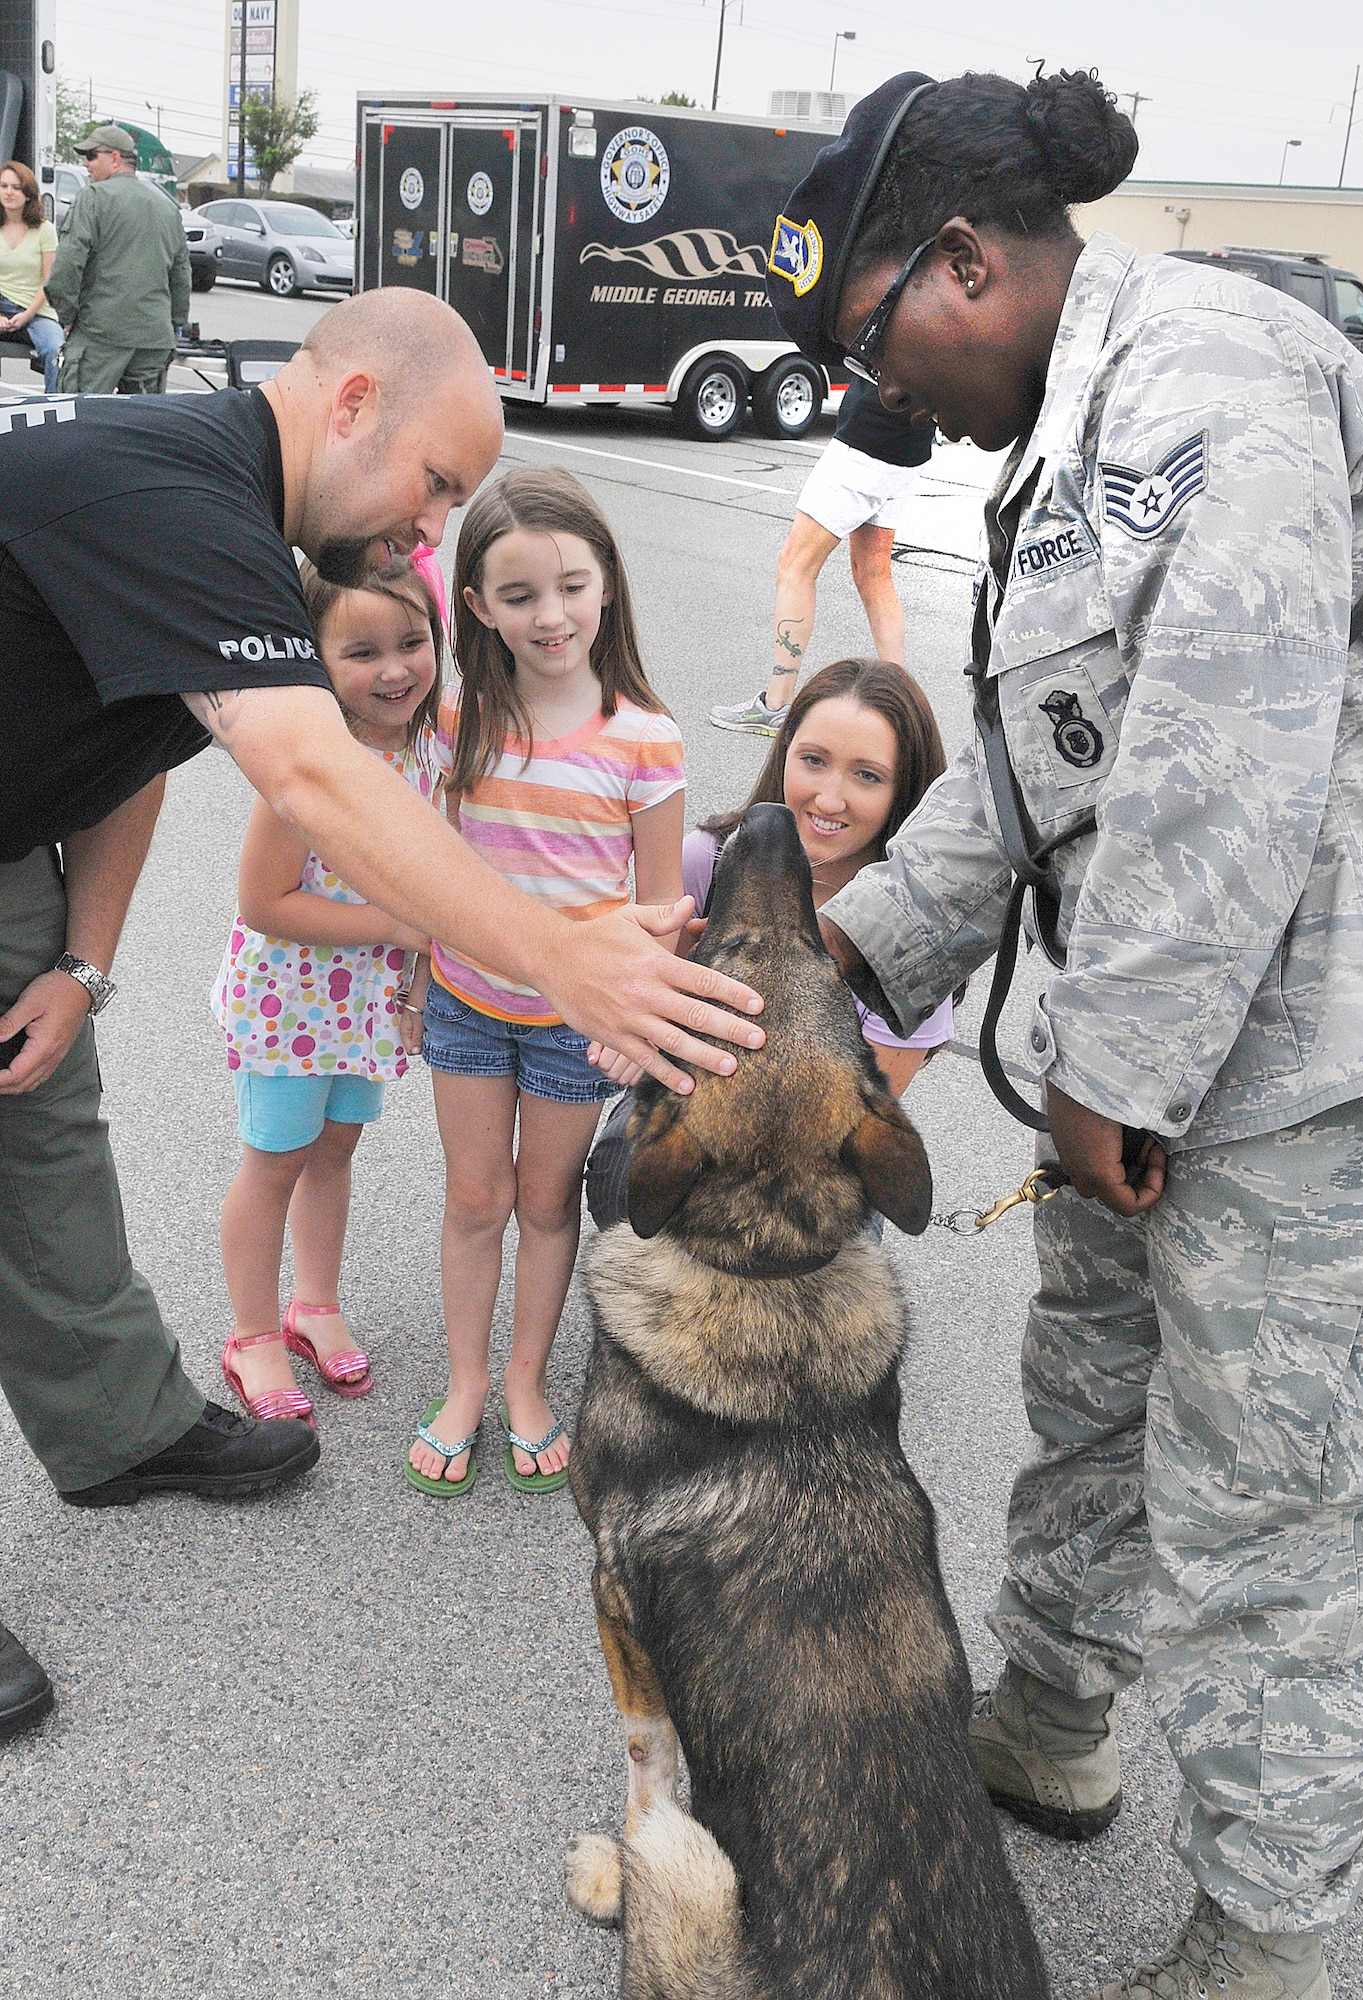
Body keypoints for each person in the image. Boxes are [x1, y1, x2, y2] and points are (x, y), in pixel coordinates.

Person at [768, 68, 1363, 2000]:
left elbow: (1222, 759)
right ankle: (1053, 1720)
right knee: (1099, 1411)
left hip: (1315, 1072)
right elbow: (1022, 754)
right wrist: (838, 953)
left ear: (964, 260)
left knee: (1286, 1512)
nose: (883, 405)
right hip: (1149, 1052)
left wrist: (1110, 1075)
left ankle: (1261, 1947)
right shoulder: (1070, 425)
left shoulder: (1204, 388)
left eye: (876, 347)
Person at [0, 287, 764, 1740]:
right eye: (433, 485)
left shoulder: (231, 523)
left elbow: (131, 745)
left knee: (45, 1142)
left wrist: (83, 964)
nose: (428, 535)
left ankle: (118, 1427)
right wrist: (558, 955)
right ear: (349, 404)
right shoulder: (181, 498)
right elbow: (311, 781)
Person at [406, 466, 684, 1498]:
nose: (550, 612)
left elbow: (658, 909)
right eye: (517, 594)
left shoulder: (646, 735)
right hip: (470, 1003)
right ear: (474, 604)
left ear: (605, 581)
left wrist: (639, 1023)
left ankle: (528, 1377)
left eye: (570, 583)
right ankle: (468, 1380)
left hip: (575, 1024)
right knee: (475, 1194)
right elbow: (434, 861)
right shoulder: (454, 714)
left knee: (544, 1197)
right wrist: (415, 981)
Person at [586, 657, 953, 1232]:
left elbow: (848, 1122)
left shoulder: (911, 928)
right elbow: (637, 997)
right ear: (783, 753)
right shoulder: (705, 861)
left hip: (814, 1173)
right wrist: (637, 1027)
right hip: (692, 1117)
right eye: (813, 761)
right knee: (621, 1167)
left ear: (904, 791)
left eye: (868, 776)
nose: (829, 799)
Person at [214, 558, 442, 1426]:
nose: (393, 670)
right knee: (272, 1165)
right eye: (362, 651)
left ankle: (312, 1305)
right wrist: (395, 928)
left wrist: (415, 991)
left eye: (412, 643)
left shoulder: (433, 751)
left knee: (336, 1153)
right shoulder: (306, 765)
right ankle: (250, 1334)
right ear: (313, 657)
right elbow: (264, 902)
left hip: (371, 1004)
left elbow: (439, 882)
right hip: (288, 1001)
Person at [709, 379, 934, 737]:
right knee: (873, 575)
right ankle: (903, 709)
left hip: (866, 440)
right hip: (910, 442)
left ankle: (776, 705)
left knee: (795, 566)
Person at [43, 123, 189, 396]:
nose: (86, 164)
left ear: (115, 158)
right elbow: (181, 275)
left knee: (78, 418)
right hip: (153, 339)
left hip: (100, 334)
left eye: (91, 156)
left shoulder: (93, 198)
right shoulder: (167, 207)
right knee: (144, 427)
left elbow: (67, 265)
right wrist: (174, 323)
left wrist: (67, 316)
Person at [0, 160, 64, 393]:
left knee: (56, 350)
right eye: (3, 186)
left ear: (28, 194)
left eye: (16, 187)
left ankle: (54, 411)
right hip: (1, 302)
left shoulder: (44, 230)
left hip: (36, 308)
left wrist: (26, 315)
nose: (8, 192)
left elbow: (49, 280)